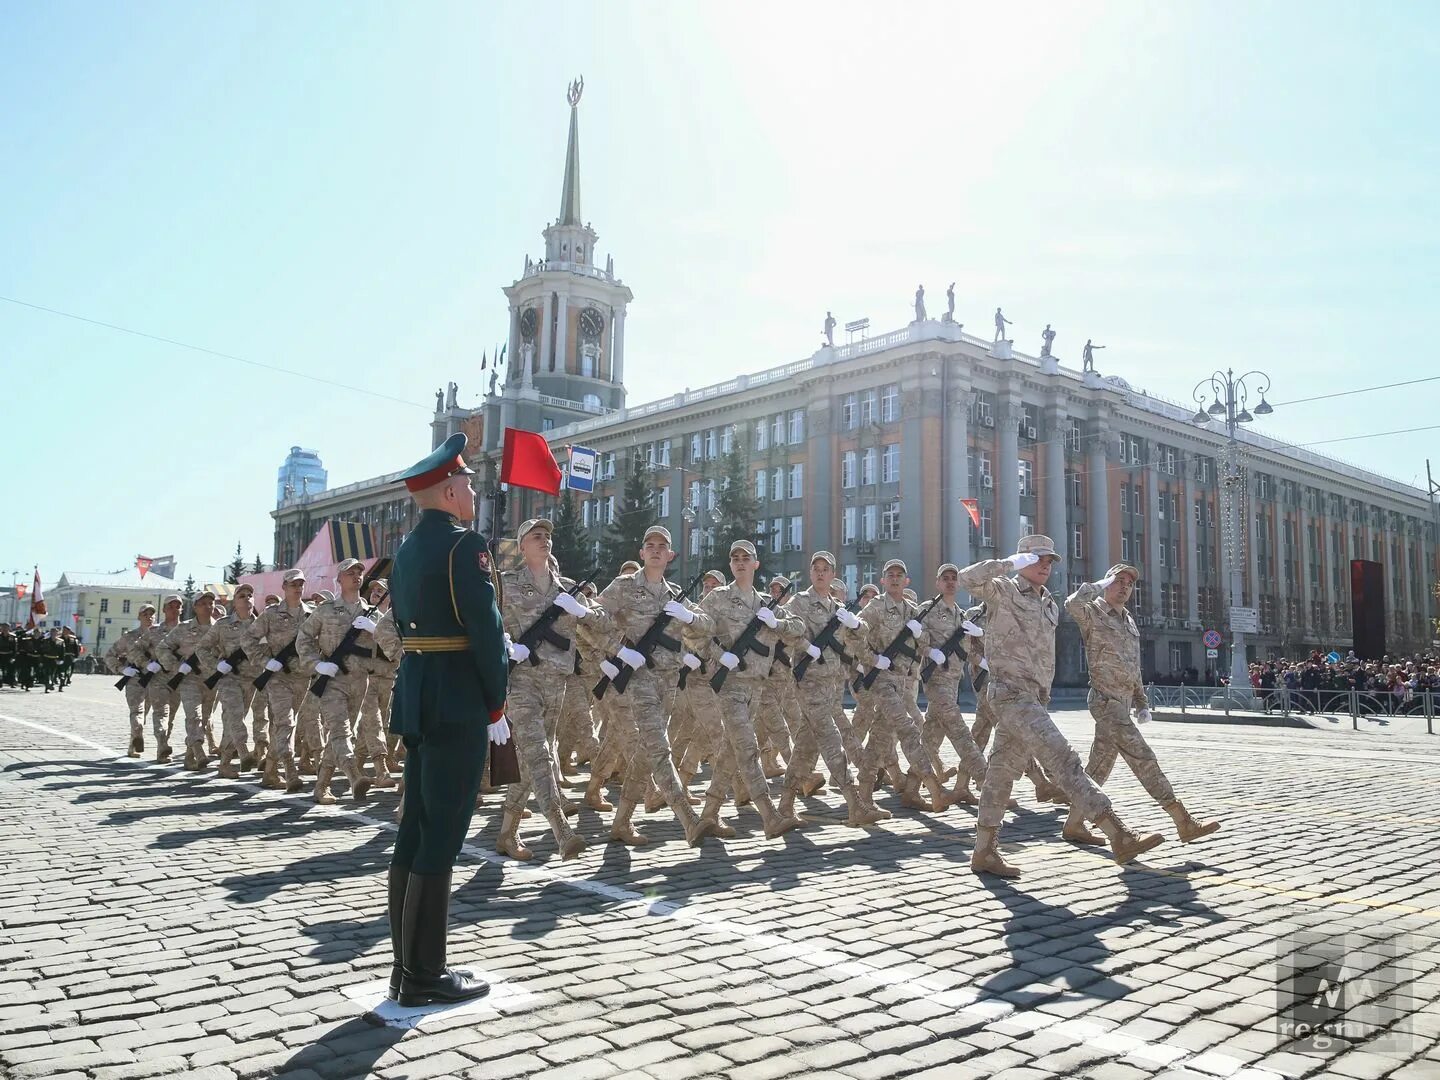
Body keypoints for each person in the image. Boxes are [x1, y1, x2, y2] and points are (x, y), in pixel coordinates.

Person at [958, 536, 1163, 878]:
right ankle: (1118, 833)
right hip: (1010, 693)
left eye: (1049, 560)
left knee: (1000, 772)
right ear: (1024, 560)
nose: (1045, 565)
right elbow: (967, 578)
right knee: (1063, 758)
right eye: (1038, 559)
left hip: (1034, 697)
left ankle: (984, 851)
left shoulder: (1049, 603)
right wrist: (1011, 562)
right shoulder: (1003, 590)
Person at [387, 432, 507, 1007]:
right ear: (450, 488)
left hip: (417, 692)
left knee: (414, 829)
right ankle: (426, 974)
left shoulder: (407, 550)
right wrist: (496, 700)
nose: (475, 492)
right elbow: (486, 632)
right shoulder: (465, 547)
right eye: (469, 483)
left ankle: (404, 965)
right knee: (444, 831)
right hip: (457, 694)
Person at [1066, 565, 1220, 845]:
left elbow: (1132, 666)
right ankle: (1182, 821)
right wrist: (1099, 583)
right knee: (1143, 758)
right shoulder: (1093, 613)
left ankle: (1075, 823)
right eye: (1118, 581)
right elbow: (1071, 603)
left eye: (1129, 583)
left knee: (1099, 768)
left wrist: (1141, 701)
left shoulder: (1128, 620)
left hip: (1123, 703)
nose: (1124, 586)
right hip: (1105, 701)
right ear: (1108, 583)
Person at [592, 525, 714, 846]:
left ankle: (621, 822)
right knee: (660, 747)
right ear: (642, 553)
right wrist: (617, 651)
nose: (656, 550)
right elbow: (591, 618)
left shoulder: (676, 595)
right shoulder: (624, 587)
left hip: (669, 682)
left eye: (663, 545)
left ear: (670, 555)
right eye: (650, 545)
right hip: (638, 680)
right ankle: (688, 819)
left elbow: (707, 627)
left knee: (646, 753)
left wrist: (688, 616)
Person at [495, 518, 595, 859]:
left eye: (549, 536)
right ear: (522, 546)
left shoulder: (567, 589)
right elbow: (485, 623)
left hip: (557, 683)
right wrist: (506, 645)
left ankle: (507, 833)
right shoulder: (506, 585)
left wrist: (582, 611)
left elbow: (601, 629)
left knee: (529, 758)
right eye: (537, 536)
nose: (545, 540)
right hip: (522, 681)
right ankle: (561, 830)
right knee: (540, 753)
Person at [297, 559, 376, 804]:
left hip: (359, 681)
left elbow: (390, 646)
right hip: (331, 680)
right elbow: (304, 639)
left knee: (342, 734)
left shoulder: (372, 612)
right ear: (339, 579)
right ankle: (354, 776)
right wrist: (317, 664)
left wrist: (376, 628)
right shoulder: (326, 610)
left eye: (359, 573)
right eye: (349, 573)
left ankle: (321, 787)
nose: (355, 577)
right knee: (340, 731)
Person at [246, 569, 313, 791]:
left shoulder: (311, 614)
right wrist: (264, 661)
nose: (297, 588)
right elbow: (248, 638)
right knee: (285, 723)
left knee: (285, 727)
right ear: (284, 587)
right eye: (293, 584)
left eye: (300, 584)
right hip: (278, 677)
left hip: (302, 678)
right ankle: (290, 771)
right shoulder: (271, 614)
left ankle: (270, 771)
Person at [198, 582, 263, 778]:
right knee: (234, 715)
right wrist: (216, 665)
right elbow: (202, 648)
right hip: (229, 678)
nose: (246, 597)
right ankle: (243, 751)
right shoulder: (223, 624)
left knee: (233, 721)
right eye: (241, 595)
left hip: (252, 679)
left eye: (249, 594)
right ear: (235, 602)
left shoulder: (262, 624)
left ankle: (224, 764)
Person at [161, 592, 219, 770]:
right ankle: (199, 750)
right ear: (194, 606)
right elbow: (162, 648)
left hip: (211, 680)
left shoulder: (220, 628)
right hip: (189, 679)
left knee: (205, 718)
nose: (208, 607)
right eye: (203, 603)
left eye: (211, 603)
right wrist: (177, 666)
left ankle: (189, 756)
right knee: (194, 715)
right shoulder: (183, 628)